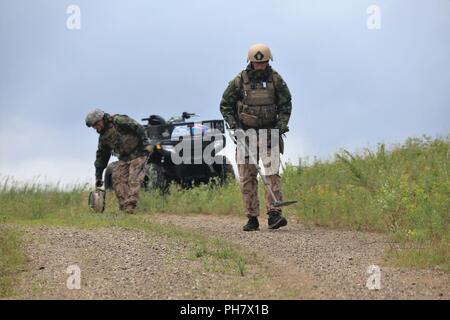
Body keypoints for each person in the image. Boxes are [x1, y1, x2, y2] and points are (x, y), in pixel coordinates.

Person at [220, 44, 292, 231]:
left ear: (268, 61)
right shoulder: (239, 81)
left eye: (263, 63)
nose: (260, 66)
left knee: (272, 174)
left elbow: (286, 103)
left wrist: (281, 124)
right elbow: (225, 104)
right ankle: (252, 218)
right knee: (247, 177)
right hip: (246, 134)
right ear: (250, 62)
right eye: (256, 63)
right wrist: (234, 125)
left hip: (269, 133)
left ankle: (274, 215)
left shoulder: (275, 79)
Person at [85, 108, 154, 213]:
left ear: (101, 119)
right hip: (124, 158)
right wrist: (98, 176)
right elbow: (101, 157)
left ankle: (131, 207)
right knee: (117, 177)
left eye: (96, 124)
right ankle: (124, 208)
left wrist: (147, 143)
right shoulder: (103, 137)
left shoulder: (118, 120)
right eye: (93, 126)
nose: (95, 128)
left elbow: (138, 127)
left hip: (139, 153)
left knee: (134, 178)